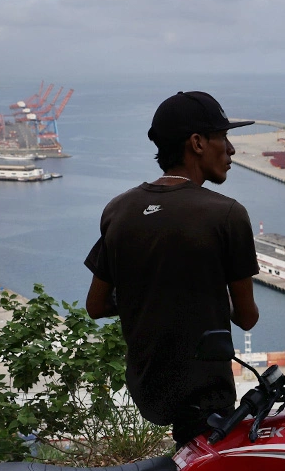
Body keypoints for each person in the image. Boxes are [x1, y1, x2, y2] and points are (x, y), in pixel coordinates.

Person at [85, 90, 260, 447]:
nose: (231, 149)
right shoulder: (226, 214)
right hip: (207, 397)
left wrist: (151, 293)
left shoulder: (118, 209)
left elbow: (96, 305)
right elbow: (247, 317)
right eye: (223, 137)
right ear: (197, 143)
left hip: (149, 390)